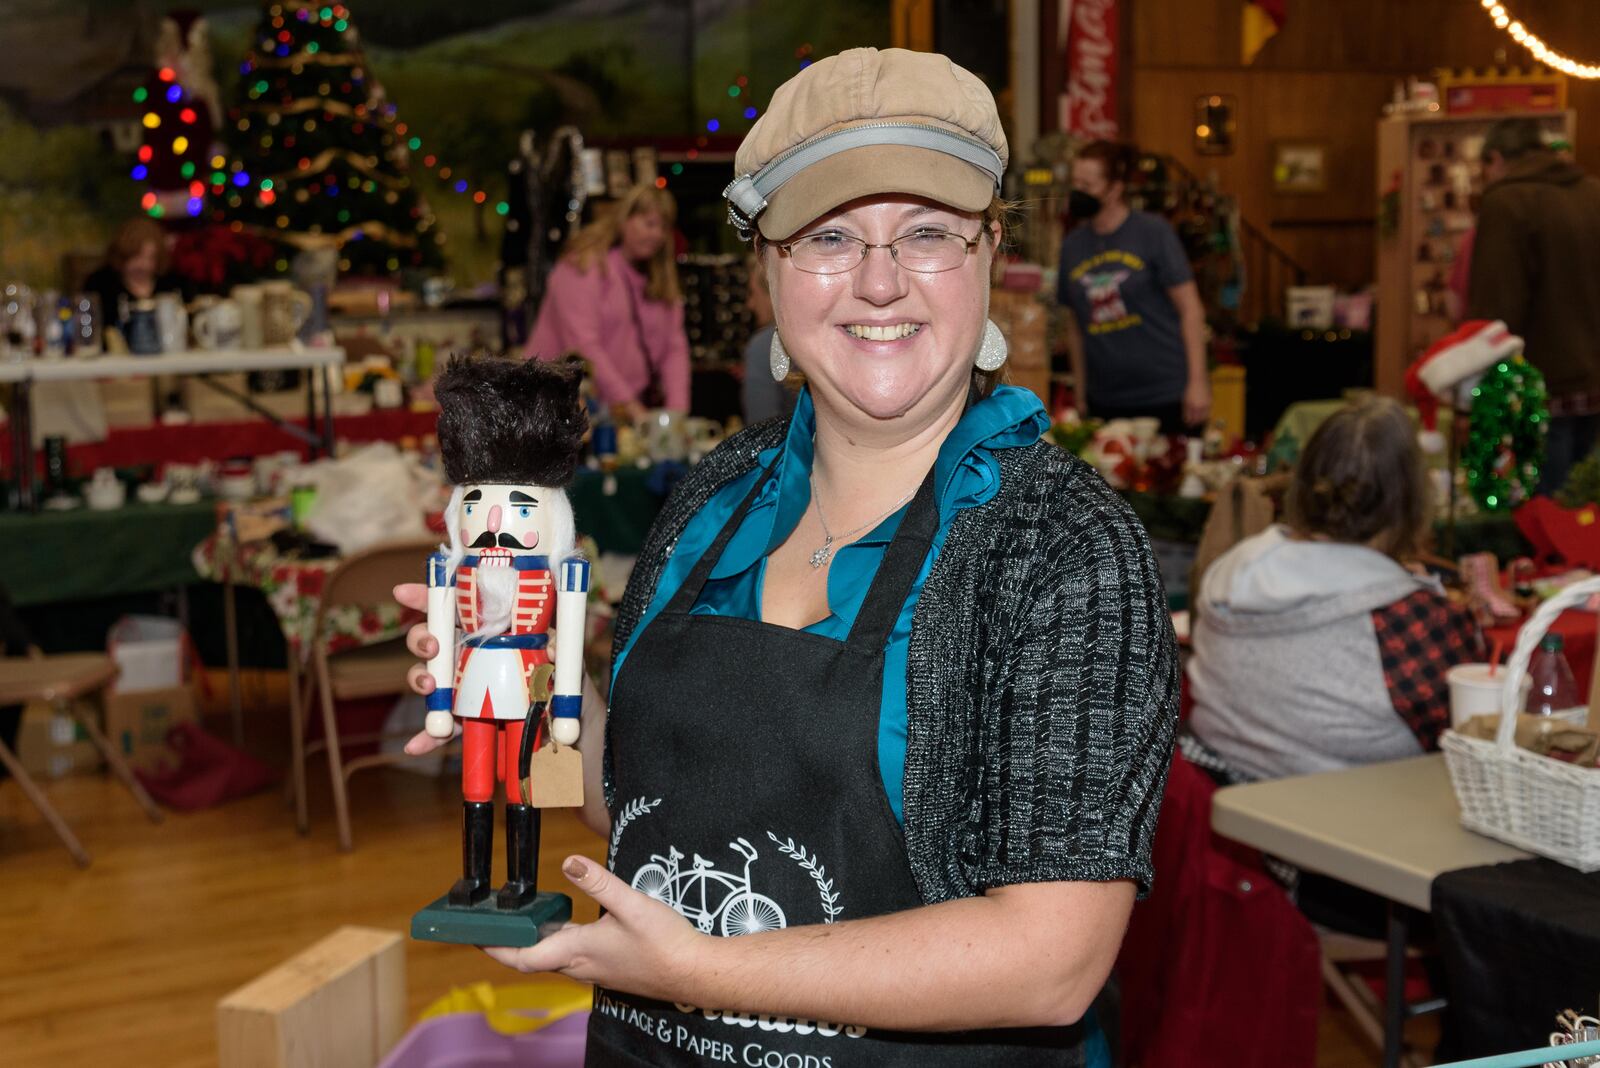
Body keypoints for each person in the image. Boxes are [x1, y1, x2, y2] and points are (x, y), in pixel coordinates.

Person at [401, 46, 1177, 1067]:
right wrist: (514, 693)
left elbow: (1049, 962)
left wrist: (698, 972)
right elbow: (627, 799)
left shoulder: (1062, 549)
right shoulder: (712, 502)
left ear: (990, 252)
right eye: (828, 236)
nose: (879, 280)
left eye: (929, 233)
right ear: (766, 270)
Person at [1468, 117, 1600, 494]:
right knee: (1586, 517)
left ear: (1495, 158)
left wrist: (1484, 381)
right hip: (1592, 380)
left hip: (1539, 383)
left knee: (1540, 520)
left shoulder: (1507, 202)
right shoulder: (1592, 192)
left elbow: (1497, 303)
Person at [1058, 141, 1210, 435]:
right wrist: (1080, 389)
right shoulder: (1072, 246)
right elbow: (1074, 323)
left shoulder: (1153, 233)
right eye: (1074, 182)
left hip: (1166, 395)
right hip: (1105, 400)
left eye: (1087, 184)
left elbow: (1191, 309)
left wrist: (1198, 381)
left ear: (1114, 189)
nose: (1077, 191)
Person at [524, 184, 690, 425]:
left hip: (620, 413)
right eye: (648, 223)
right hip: (557, 409)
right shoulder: (583, 266)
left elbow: (674, 349)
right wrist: (633, 409)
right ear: (624, 220)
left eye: (663, 227)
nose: (656, 234)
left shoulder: (661, 281)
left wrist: (676, 416)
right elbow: (583, 347)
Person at [80, 217, 185, 330]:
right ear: (122, 256)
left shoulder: (172, 285)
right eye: (136, 257)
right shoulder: (99, 284)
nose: (143, 265)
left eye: (151, 258)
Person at [739, 252, 793, 424]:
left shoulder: (764, 346)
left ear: (772, 293)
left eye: (752, 293)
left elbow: (761, 431)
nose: (750, 304)